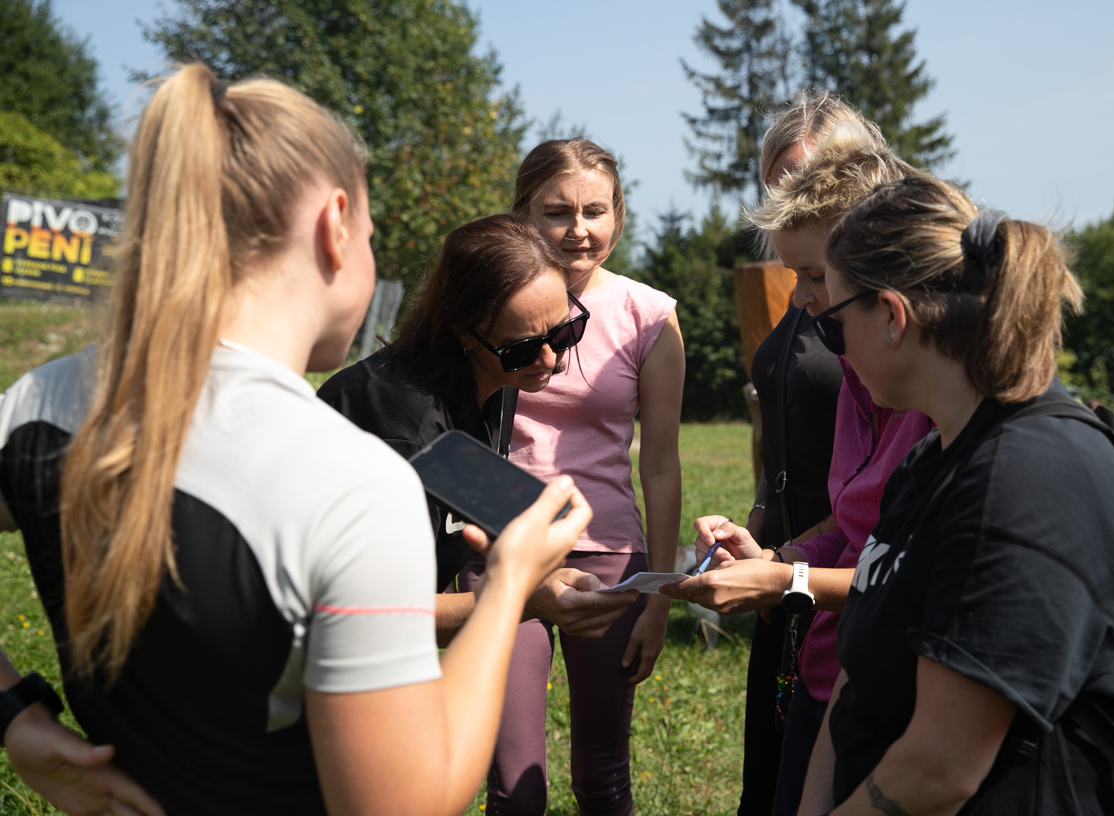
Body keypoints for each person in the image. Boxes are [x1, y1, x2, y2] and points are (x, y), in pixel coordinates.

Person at [0, 65, 592, 816]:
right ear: (334, 225)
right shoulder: (352, 481)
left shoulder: (36, 404)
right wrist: (509, 587)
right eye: (371, 233)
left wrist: (16, 716)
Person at [797, 174, 1114, 815]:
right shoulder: (929, 462)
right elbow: (858, 682)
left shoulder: (1023, 483)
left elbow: (941, 769)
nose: (838, 350)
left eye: (836, 324)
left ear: (892, 317)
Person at [664, 120, 930, 816]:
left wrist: (785, 578)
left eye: (814, 276)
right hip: (829, 661)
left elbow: (906, 576)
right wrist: (775, 556)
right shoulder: (855, 374)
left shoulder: (936, 414)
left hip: (888, 681)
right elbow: (850, 523)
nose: (802, 298)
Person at [457, 138, 684, 816]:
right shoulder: (480, 306)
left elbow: (661, 463)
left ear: (619, 214)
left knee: (603, 776)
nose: (578, 230)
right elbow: (452, 439)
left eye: (595, 211)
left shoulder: (650, 315)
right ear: (523, 213)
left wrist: (659, 596)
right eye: (557, 212)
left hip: (609, 555)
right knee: (514, 783)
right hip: (502, 550)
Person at [318, 214, 639, 645]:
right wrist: (523, 599)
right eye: (522, 348)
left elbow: (462, 518)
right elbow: (370, 612)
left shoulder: (497, 377)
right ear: (463, 332)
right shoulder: (403, 431)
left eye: (564, 331)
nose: (551, 360)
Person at [732, 89, 882, 816]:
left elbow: (893, 557)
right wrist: (769, 532)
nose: (793, 196)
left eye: (806, 177)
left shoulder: (874, 345)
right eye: (778, 184)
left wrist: (789, 568)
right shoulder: (805, 300)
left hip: (846, 581)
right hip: (803, 565)